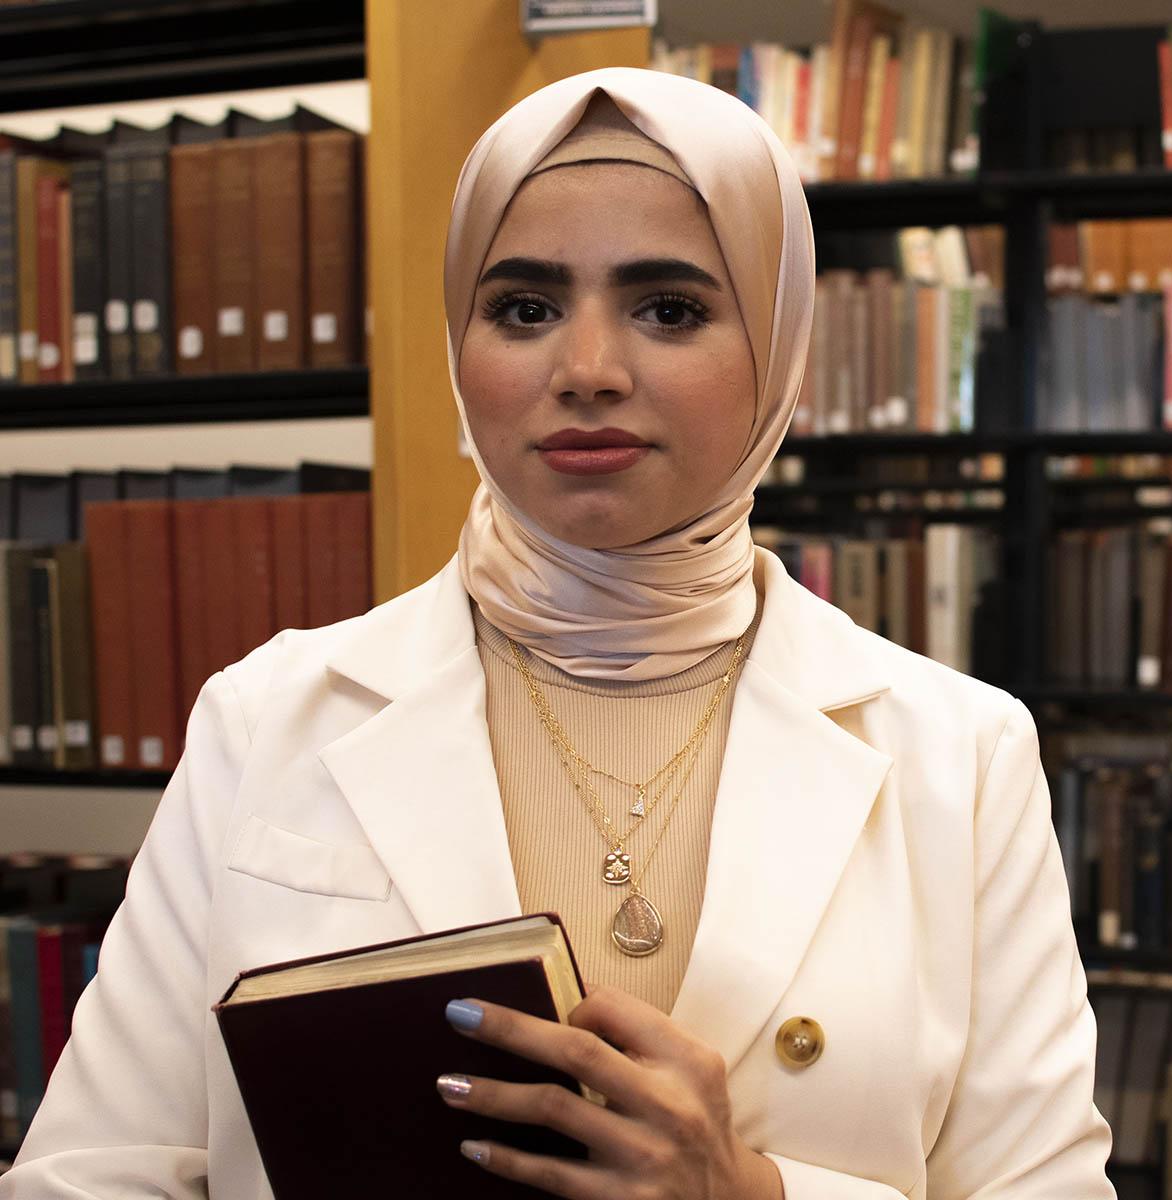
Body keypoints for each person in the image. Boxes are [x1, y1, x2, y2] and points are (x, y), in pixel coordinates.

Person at [0, 67, 1115, 1200]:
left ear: (778, 348)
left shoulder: (961, 752)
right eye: (523, 309)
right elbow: (90, 1176)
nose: (588, 373)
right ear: (459, 345)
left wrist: (750, 1196)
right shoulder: (267, 717)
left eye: (670, 308)